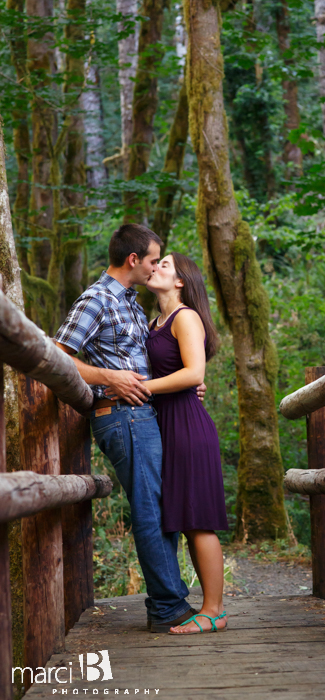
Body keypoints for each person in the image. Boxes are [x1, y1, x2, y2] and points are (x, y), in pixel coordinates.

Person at [54, 224, 197, 633]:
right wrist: (108, 377)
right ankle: (169, 606)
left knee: (157, 503)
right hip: (121, 416)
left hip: (143, 416)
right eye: (153, 260)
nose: (156, 267)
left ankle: (167, 601)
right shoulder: (96, 300)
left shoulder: (132, 303)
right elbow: (57, 355)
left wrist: (191, 379)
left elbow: (144, 362)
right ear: (133, 259)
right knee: (150, 507)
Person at [128, 252, 229, 634]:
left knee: (198, 520)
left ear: (182, 280)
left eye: (165, 265)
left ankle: (214, 611)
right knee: (182, 519)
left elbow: (194, 372)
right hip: (164, 425)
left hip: (186, 427)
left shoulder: (185, 316)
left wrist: (139, 388)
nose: (156, 268)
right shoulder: (153, 321)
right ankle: (207, 606)